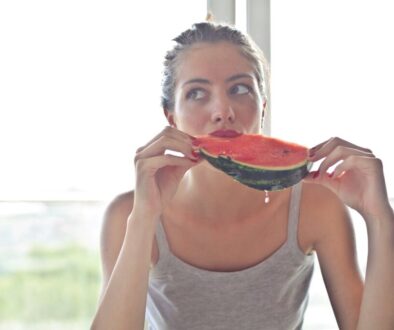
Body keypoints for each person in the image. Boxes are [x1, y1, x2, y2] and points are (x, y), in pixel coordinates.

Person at [91, 22, 394, 330]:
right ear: (172, 118)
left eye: (239, 89)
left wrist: (381, 219)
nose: (223, 110)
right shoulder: (128, 215)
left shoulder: (315, 206)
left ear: (262, 107)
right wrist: (144, 218)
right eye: (197, 93)